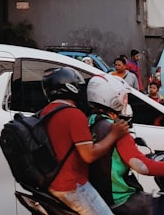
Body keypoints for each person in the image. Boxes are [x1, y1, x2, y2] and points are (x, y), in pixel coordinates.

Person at [41, 67, 128, 215]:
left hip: (52, 183)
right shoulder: (74, 115)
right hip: (73, 185)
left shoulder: (45, 112)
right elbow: (89, 155)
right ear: (71, 88)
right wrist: (114, 134)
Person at [86, 74, 164, 215]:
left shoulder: (88, 123)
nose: (125, 101)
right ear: (112, 98)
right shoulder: (117, 129)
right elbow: (142, 166)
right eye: (123, 97)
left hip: (95, 197)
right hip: (120, 198)